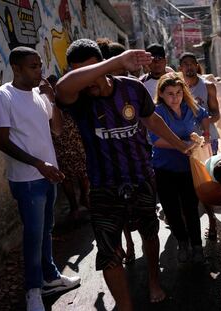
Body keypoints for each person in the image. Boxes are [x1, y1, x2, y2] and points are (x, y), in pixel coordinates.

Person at [55, 39, 192, 310]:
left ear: (102, 65)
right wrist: (115, 63)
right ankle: (125, 304)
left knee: (150, 234)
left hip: (141, 177)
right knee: (109, 252)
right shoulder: (77, 99)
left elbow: (152, 120)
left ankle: (154, 280)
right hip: (104, 186)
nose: (88, 79)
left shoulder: (132, 89)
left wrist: (180, 145)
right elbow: (62, 88)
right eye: (78, 72)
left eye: (91, 69)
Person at [0, 47, 81, 311]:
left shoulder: (40, 96)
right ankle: (32, 291)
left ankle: (50, 276)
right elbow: (2, 142)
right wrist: (39, 164)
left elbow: (57, 129)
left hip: (48, 176)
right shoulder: (2, 96)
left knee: (46, 230)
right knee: (32, 234)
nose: (39, 71)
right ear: (16, 68)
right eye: (32, 66)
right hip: (27, 179)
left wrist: (52, 99)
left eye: (40, 65)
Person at [150, 72, 209, 263]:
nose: (175, 97)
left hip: (187, 168)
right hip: (164, 168)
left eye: (178, 92)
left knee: (191, 208)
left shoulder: (189, 106)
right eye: (170, 93)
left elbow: (204, 115)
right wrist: (183, 145)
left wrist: (206, 134)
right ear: (162, 93)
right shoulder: (157, 112)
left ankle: (197, 246)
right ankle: (182, 243)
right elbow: (157, 141)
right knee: (172, 209)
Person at [96, 38, 137, 264]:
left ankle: (130, 242)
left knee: (136, 211)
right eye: (122, 67)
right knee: (119, 211)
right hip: (110, 165)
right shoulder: (94, 94)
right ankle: (126, 243)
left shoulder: (131, 88)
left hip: (133, 162)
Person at [179, 52, 220, 240]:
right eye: (184, 64)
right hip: (186, 143)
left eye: (191, 63)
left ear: (197, 65)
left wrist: (201, 122)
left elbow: (216, 115)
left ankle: (212, 221)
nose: (188, 67)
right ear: (180, 68)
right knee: (188, 184)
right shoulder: (177, 88)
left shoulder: (208, 86)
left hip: (207, 139)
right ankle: (189, 226)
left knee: (207, 182)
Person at [48, 75, 90, 221]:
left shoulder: (69, 100)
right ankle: (74, 207)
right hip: (59, 147)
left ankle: (85, 198)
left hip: (77, 143)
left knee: (84, 175)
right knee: (66, 179)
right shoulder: (47, 104)